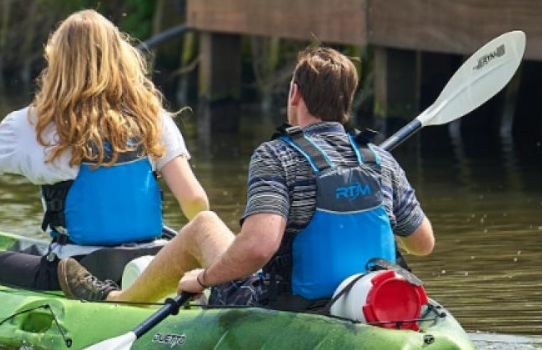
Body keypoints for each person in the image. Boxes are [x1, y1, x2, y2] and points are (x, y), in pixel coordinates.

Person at [58, 47, 435, 311]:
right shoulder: (380, 160)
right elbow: (422, 243)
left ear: (295, 94)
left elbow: (258, 247)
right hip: (368, 298)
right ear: (349, 100)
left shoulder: (278, 156)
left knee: (204, 224)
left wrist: (203, 279)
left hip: (289, 305)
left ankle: (117, 301)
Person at [0, 9, 209, 292]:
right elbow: (194, 199)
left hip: (78, 271)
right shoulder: (152, 117)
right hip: (154, 263)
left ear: (57, 62)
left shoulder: (33, 123)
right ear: (120, 57)